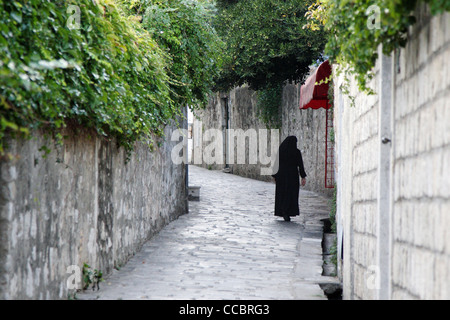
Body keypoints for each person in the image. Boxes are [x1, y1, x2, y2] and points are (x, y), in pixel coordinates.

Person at [271, 136, 306, 222]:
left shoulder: (281, 151)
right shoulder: (296, 152)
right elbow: (300, 165)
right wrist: (303, 176)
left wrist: (275, 176)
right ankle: (289, 211)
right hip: (292, 177)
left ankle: (282, 210)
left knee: (282, 194)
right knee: (291, 195)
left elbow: (276, 164)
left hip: (281, 176)